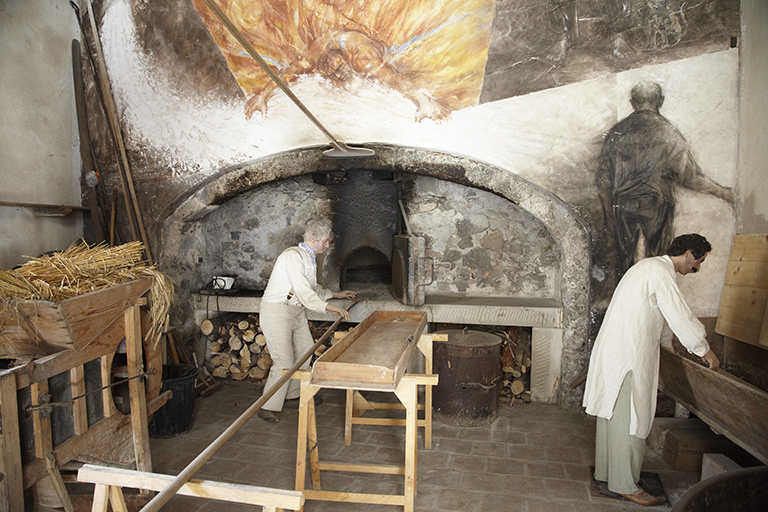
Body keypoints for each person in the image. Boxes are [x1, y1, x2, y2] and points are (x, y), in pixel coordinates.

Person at [582, 233, 720, 506]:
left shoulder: (649, 267)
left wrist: (668, 347)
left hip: (618, 352)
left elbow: (660, 315)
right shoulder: (659, 270)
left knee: (614, 414)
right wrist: (705, 350)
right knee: (629, 418)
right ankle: (624, 483)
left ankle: (608, 472)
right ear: (690, 253)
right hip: (629, 355)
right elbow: (678, 313)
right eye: (699, 262)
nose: (697, 269)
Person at [595, 81, 733, 281]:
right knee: (659, 261)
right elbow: (691, 177)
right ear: (660, 101)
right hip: (656, 205)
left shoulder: (618, 132)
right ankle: (654, 303)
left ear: (633, 102)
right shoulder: (668, 132)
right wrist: (724, 193)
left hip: (623, 204)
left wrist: (608, 215)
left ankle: (626, 306)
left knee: (624, 263)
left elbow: (603, 179)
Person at [257, 218, 356, 422]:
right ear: (313, 238)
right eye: (325, 241)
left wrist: (335, 295)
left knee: (305, 350)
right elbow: (302, 291)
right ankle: (268, 406)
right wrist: (328, 307)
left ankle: (292, 395)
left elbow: (313, 288)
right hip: (277, 311)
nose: (327, 245)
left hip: (295, 312)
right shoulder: (292, 256)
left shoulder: (308, 258)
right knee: (283, 361)